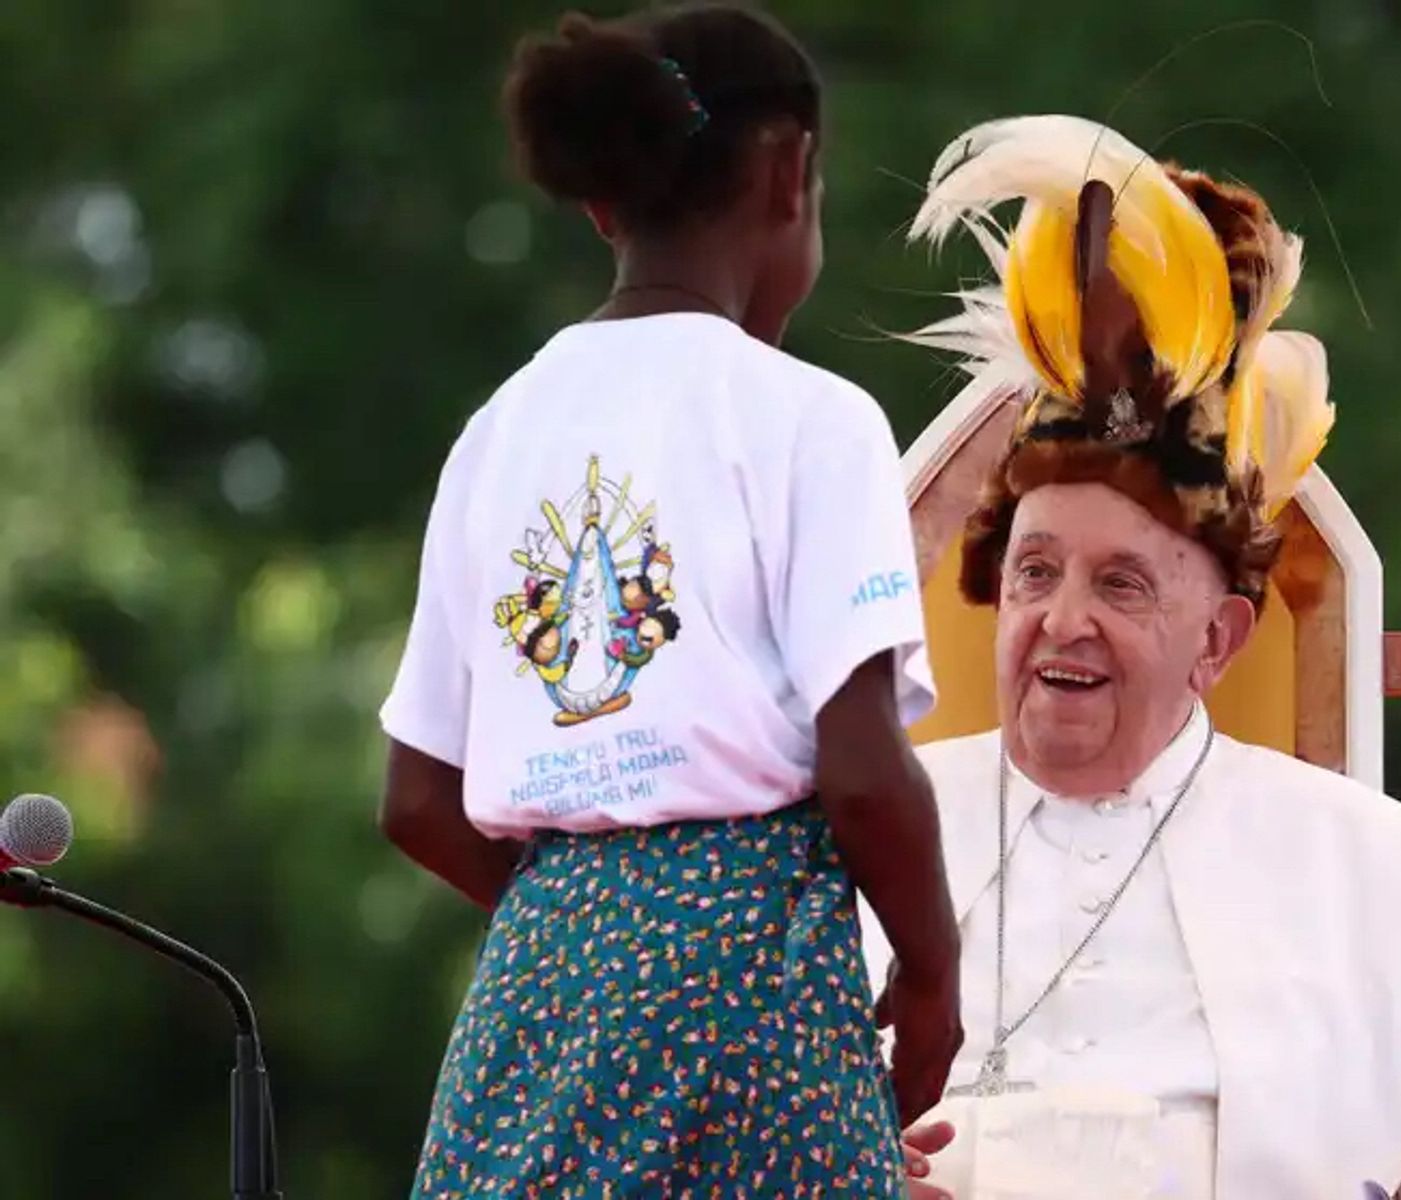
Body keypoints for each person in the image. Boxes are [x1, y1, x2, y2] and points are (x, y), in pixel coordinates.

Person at [869, 114, 1401, 1199]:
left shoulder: (1369, 857)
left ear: (1220, 640)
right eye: (1033, 575)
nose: (1062, 620)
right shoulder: (850, 846)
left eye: (1121, 584)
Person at [374, 6, 961, 1195]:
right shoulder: (812, 417)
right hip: (751, 976)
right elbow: (859, 771)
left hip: (535, 987)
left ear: (601, 204)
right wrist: (932, 973)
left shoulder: (495, 432)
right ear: (788, 172)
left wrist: (595, 916)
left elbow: (416, 799)